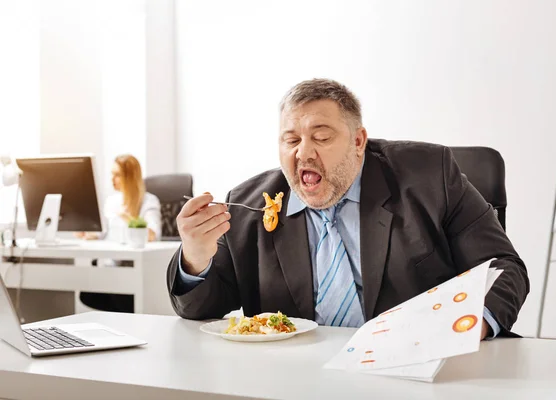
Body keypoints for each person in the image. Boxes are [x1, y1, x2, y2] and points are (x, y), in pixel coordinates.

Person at [167, 79, 529, 339]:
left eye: (321, 137)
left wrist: (466, 328)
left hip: (419, 371)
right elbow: (201, 310)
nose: (303, 153)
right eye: (291, 140)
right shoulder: (250, 206)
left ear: (358, 141)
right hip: (297, 381)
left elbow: (503, 268)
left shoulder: (429, 175)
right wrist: (196, 259)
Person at [79, 154, 162, 313]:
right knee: (87, 292)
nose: (112, 179)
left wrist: (128, 217)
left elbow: (153, 235)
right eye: (112, 174)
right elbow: (106, 232)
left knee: (117, 297)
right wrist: (91, 234)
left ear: (130, 176)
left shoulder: (149, 201)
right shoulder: (111, 201)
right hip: (109, 267)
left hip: (132, 270)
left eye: (117, 175)